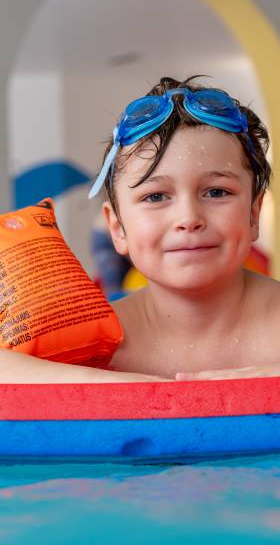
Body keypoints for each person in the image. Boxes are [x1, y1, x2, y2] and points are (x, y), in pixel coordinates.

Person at [1, 75, 280, 383]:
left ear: (254, 214)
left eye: (216, 192)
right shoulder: (99, 347)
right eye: (156, 196)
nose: (188, 218)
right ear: (117, 228)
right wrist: (115, 384)